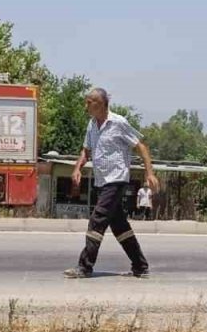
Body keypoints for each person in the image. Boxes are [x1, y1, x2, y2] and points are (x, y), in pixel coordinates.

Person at [64, 88, 158, 279]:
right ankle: (140, 266)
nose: (86, 105)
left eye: (89, 102)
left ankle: (85, 266)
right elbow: (86, 151)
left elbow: (141, 146)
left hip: (116, 180)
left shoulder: (118, 123)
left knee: (97, 219)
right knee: (120, 227)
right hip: (101, 181)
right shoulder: (91, 125)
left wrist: (150, 173)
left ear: (100, 103)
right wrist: (77, 168)